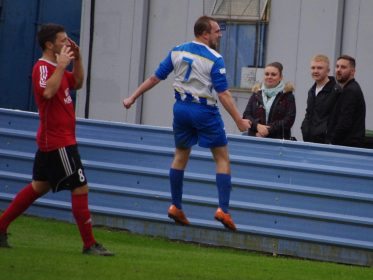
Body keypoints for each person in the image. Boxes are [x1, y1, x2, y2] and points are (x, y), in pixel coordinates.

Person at [122, 16, 251, 231]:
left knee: (180, 156)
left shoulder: (177, 51)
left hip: (181, 109)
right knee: (222, 158)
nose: (220, 35)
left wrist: (132, 97)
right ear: (204, 33)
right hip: (204, 111)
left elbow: (155, 78)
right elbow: (224, 94)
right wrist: (238, 120)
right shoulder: (215, 58)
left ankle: (176, 206)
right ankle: (223, 209)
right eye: (217, 31)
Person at [0, 24, 113, 256]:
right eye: (62, 41)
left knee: (38, 187)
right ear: (49, 45)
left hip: (57, 140)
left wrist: (78, 60)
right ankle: (89, 244)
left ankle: (0, 226)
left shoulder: (57, 67)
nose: (67, 44)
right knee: (80, 187)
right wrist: (61, 67)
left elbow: (78, 83)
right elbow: (47, 93)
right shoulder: (42, 68)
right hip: (58, 142)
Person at [243, 62, 296, 139]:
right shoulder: (256, 94)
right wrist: (257, 126)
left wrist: (269, 130)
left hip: (278, 143)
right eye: (267, 74)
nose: (269, 77)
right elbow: (246, 115)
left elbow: (289, 120)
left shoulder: (288, 96)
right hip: (255, 139)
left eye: (273, 74)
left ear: (280, 77)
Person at [326, 55, 366, 147]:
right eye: (337, 66)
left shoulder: (350, 91)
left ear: (352, 71)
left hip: (345, 147)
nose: (338, 70)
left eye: (343, 67)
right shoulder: (346, 89)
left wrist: (332, 142)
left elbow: (344, 122)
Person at [301, 54, 341, 143]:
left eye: (319, 68)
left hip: (326, 143)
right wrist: (305, 129)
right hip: (309, 141)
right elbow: (309, 114)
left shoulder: (336, 91)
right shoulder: (311, 91)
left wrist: (329, 137)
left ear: (328, 71)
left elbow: (338, 118)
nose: (315, 71)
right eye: (313, 68)